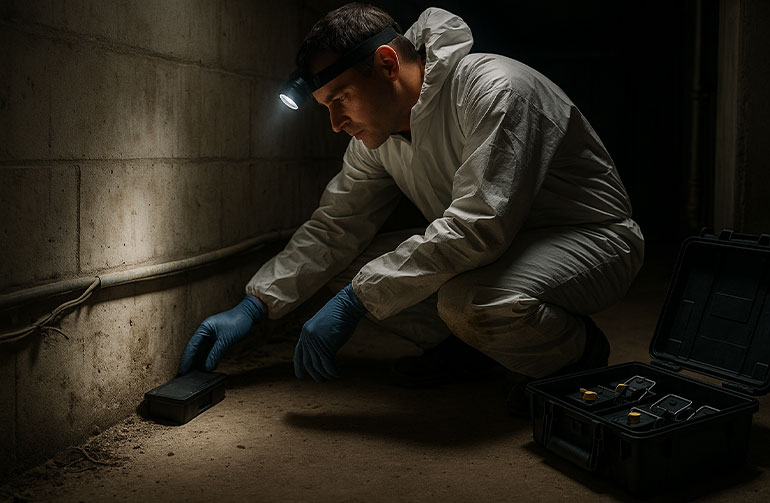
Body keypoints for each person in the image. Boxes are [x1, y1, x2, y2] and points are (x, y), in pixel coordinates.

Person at [178, 3, 644, 416]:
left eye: (340, 99)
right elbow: (335, 226)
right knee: (348, 271)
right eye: (326, 107)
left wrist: (357, 301)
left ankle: (576, 356)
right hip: (500, 247)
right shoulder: (377, 138)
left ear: (386, 64)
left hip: (588, 240)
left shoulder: (495, 90)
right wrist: (255, 305)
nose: (337, 124)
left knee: (468, 302)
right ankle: (475, 352)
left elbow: (477, 226)